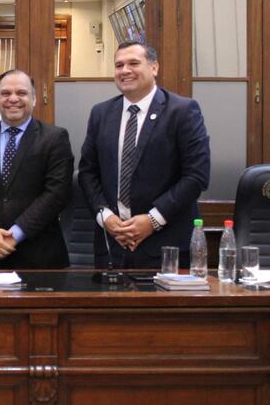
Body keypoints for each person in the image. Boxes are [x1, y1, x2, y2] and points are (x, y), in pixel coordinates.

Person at [78, 41, 210, 268]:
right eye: (119, 65)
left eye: (133, 63)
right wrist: (105, 217)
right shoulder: (101, 113)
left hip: (166, 246)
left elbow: (196, 176)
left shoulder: (182, 111)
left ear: (154, 67)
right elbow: (88, 172)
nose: (125, 70)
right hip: (112, 245)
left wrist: (152, 220)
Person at [0, 69, 73, 269]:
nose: (13, 99)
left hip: (40, 256)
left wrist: (16, 234)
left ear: (34, 99)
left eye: (21, 93)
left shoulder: (55, 138)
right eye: (5, 93)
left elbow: (57, 194)